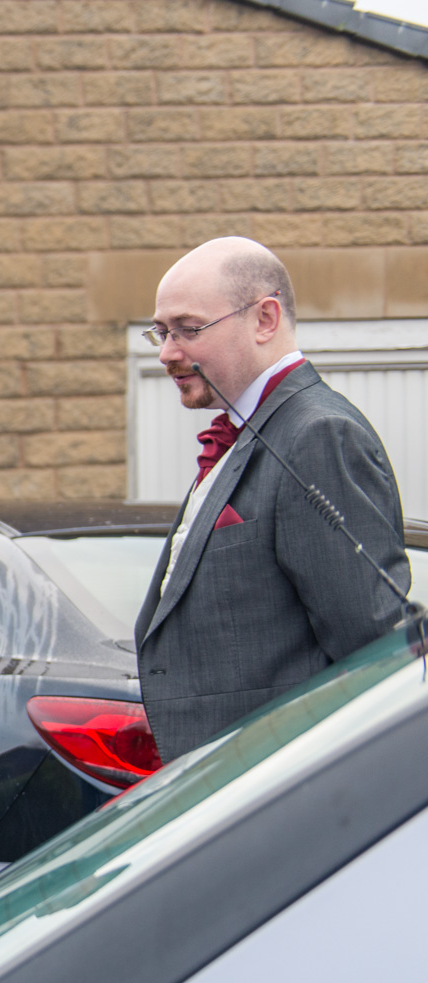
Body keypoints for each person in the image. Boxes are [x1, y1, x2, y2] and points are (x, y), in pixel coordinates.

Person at [135, 237, 408, 760]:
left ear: (265, 318)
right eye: (162, 332)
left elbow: (372, 652)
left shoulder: (318, 436)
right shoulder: (252, 433)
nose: (168, 351)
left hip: (284, 784)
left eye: (189, 329)